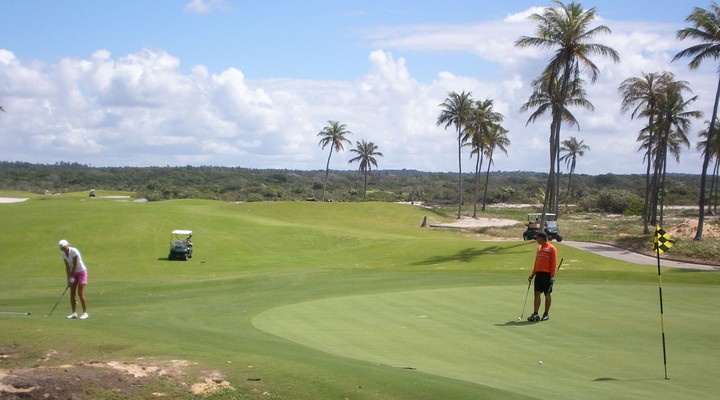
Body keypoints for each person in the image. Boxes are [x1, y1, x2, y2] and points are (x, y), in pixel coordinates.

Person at [527, 231, 557, 322]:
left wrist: (552, 276)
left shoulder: (552, 248)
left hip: (547, 274)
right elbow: (537, 263)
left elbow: (554, 263)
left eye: (537, 238)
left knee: (547, 294)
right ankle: (535, 314)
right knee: (537, 293)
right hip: (539, 274)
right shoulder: (539, 248)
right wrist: (532, 274)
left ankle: (546, 314)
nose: (536, 239)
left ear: (542, 238)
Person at [58, 239, 89, 319]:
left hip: (81, 272)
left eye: (64, 248)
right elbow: (67, 267)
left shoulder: (74, 251)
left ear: (67, 245)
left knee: (80, 293)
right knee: (72, 293)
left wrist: (72, 277)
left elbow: (75, 265)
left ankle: (85, 313)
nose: (63, 249)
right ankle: (74, 313)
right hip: (73, 273)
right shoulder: (63, 254)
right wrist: (68, 279)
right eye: (61, 248)